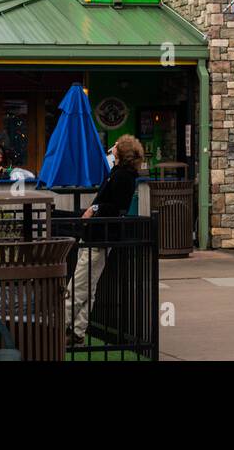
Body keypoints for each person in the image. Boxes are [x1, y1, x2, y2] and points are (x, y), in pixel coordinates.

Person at [69, 134, 144, 344]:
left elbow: (117, 207)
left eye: (116, 146)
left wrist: (94, 208)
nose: (112, 148)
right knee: (88, 286)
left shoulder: (123, 176)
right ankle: (77, 331)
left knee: (78, 285)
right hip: (99, 235)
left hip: (100, 236)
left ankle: (60, 327)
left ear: (122, 152)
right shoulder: (120, 173)